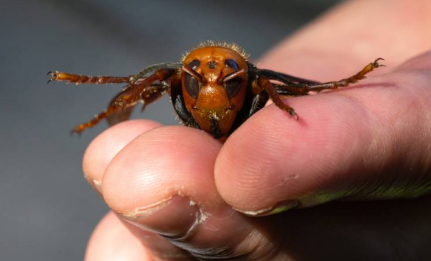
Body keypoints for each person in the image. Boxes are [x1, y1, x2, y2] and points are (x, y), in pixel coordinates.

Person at [83, 0, 431, 260]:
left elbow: (300, 87)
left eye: (227, 78)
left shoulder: (258, 82)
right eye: (198, 78)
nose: (213, 87)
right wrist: (112, 94)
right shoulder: (173, 80)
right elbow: (142, 84)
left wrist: (340, 84)